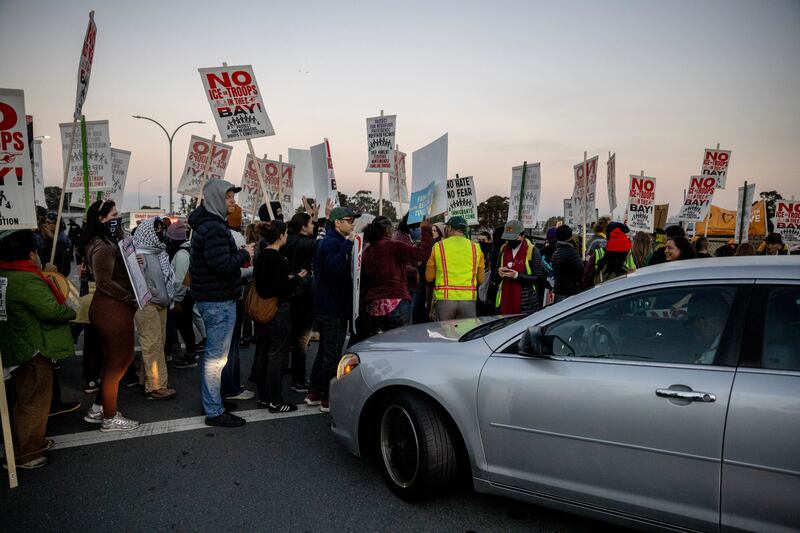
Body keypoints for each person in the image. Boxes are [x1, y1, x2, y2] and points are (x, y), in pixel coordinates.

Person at [0, 230, 76, 469]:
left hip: (16, 343)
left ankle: (29, 442)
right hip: (33, 346)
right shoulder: (27, 280)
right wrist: (70, 310)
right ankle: (28, 454)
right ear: (30, 254)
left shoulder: (6, 274)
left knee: (23, 398)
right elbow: (51, 311)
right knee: (34, 400)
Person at [189, 180, 254, 428]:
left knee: (216, 358)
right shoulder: (214, 228)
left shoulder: (209, 225)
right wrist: (245, 253)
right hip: (218, 301)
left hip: (214, 298)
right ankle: (214, 410)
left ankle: (213, 400)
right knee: (216, 359)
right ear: (217, 200)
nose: (233, 202)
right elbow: (222, 265)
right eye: (229, 197)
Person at [82, 199, 141, 432]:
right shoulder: (103, 246)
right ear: (101, 219)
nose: (118, 218)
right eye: (113, 214)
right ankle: (109, 417)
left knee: (120, 361)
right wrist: (128, 298)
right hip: (112, 309)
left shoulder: (106, 242)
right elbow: (104, 281)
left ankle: (99, 406)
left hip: (113, 308)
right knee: (117, 363)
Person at [306, 206, 360, 413]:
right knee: (332, 353)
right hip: (333, 306)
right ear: (337, 222)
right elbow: (335, 267)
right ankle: (327, 398)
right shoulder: (332, 242)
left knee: (325, 351)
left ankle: (314, 392)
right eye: (348, 220)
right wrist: (348, 244)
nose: (352, 224)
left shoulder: (331, 240)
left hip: (330, 304)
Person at [253, 220, 299, 412]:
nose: (287, 236)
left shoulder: (261, 255)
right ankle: (276, 400)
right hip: (277, 311)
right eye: (286, 233)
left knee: (263, 352)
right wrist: (296, 279)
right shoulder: (278, 259)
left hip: (261, 310)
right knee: (276, 356)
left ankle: (263, 397)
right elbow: (282, 290)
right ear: (280, 236)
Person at [362, 216, 433, 334]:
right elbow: (422, 253)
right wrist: (426, 228)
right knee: (401, 342)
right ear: (387, 230)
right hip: (396, 301)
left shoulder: (367, 251)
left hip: (374, 306)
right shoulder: (394, 245)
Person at [132, 217, 177, 400]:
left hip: (161, 302)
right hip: (147, 304)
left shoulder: (159, 251)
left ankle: (147, 379)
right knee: (152, 344)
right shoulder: (138, 254)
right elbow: (138, 281)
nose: (160, 231)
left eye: (161, 228)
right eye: (156, 228)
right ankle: (156, 386)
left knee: (158, 342)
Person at [282, 211, 323, 392]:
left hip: (290, 293)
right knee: (301, 340)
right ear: (302, 227)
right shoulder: (305, 244)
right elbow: (320, 245)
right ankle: (298, 380)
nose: (313, 226)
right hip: (303, 295)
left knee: (288, 338)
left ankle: (285, 372)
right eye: (310, 224)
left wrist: (317, 218)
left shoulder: (289, 240)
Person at [425, 216, 485, 320]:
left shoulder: (438, 247)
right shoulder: (476, 248)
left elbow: (429, 277)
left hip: (445, 300)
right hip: (468, 300)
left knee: (445, 334)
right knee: (466, 335)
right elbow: (480, 279)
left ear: (449, 228)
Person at [493, 220, 545, 315]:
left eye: (513, 238)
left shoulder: (532, 251)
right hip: (505, 301)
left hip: (526, 305)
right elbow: (495, 277)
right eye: (508, 238)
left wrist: (517, 275)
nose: (510, 241)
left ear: (522, 236)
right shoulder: (503, 249)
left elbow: (539, 278)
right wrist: (499, 273)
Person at [166, 220, 198, 368]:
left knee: (184, 326)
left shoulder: (180, 254)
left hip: (183, 297)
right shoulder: (188, 249)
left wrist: (177, 300)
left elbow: (181, 280)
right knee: (186, 326)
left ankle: (190, 356)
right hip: (188, 294)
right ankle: (191, 353)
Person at [582, 223, 636, 288]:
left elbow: (587, 281)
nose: (629, 239)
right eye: (626, 236)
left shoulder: (630, 253)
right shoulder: (631, 253)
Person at [551, 225, 583, 302]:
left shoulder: (556, 253)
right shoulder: (571, 252)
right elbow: (581, 270)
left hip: (559, 291)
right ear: (570, 236)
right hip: (571, 294)